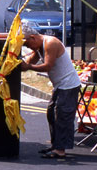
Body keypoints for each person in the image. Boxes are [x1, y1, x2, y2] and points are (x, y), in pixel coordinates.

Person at [21, 24, 80, 159]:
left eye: (28, 44)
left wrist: (29, 67)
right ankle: (56, 144)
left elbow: (48, 66)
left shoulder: (50, 43)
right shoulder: (38, 47)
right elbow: (29, 61)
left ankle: (60, 150)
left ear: (33, 37)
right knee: (51, 113)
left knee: (62, 115)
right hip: (60, 85)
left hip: (68, 85)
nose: (28, 48)